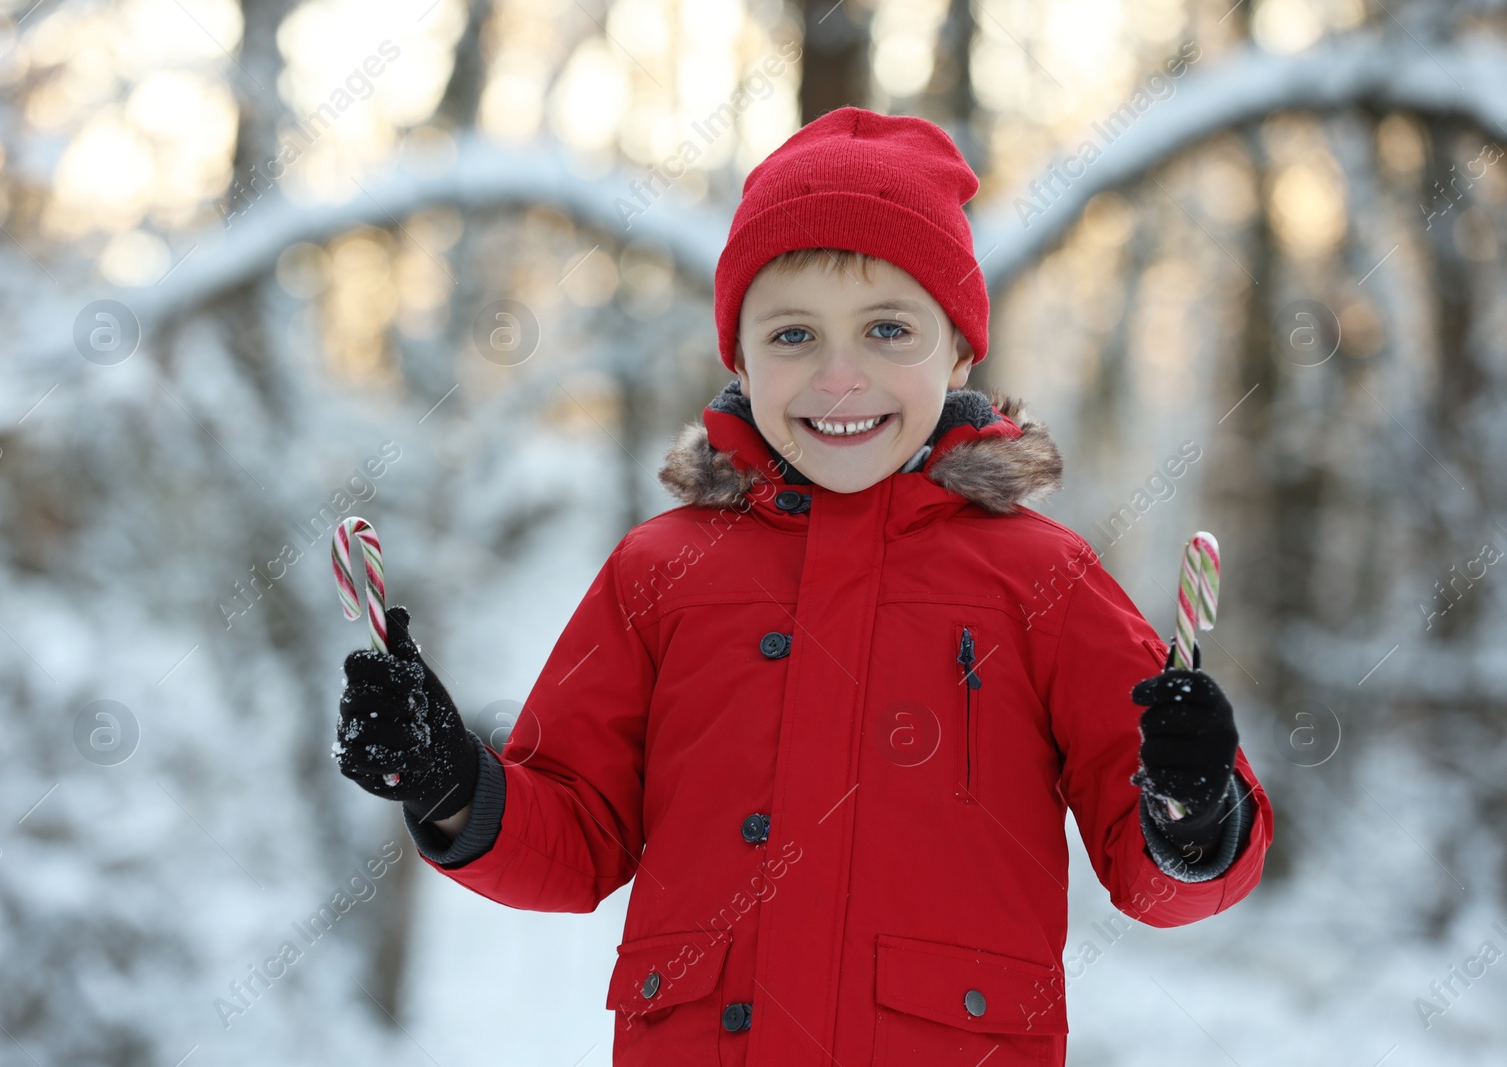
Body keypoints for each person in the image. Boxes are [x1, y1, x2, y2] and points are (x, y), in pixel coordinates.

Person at [333, 106, 1273, 1066]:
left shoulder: (1040, 578)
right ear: (737, 354)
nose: (838, 376)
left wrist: (1191, 807)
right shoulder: (662, 571)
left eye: (888, 330)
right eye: (792, 335)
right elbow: (575, 834)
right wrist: (451, 780)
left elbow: (1157, 876)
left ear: (958, 351)